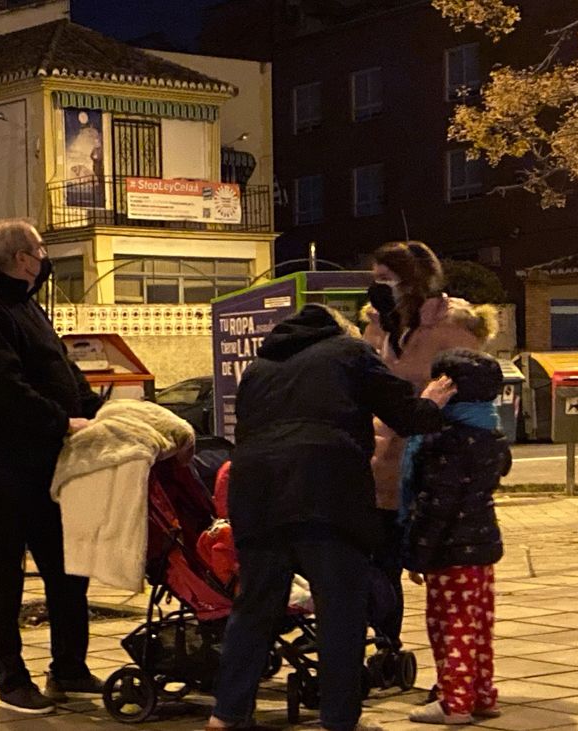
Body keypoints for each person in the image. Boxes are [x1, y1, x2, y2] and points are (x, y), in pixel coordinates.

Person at [207, 304, 457, 731]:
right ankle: (339, 718)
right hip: (326, 492)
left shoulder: (260, 367)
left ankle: (226, 714)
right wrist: (431, 402)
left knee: (254, 607)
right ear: (341, 329)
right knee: (340, 608)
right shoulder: (349, 351)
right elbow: (405, 415)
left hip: (256, 495)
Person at [0, 218, 104, 715]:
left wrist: (94, 410)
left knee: (67, 568)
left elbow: (60, 366)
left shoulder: (27, 305)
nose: (45, 258)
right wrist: (61, 420)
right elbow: (4, 387)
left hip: (48, 460)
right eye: (40, 249)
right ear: (20, 258)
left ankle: (69, 667)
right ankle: (11, 679)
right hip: (3, 460)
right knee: (4, 574)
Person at [363, 241, 495, 650]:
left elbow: (469, 396)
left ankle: (457, 666)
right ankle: (387, 647)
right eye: (375, 278)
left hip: (429, 468)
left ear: (413, 281)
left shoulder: (453, 327)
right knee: (379, 564)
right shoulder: (378, 324)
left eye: (386, 278)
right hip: (378, 466)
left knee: (441, 576)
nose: (378, 287)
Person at [403, 349, 509, 725]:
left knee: (451, 627)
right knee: (478, 625)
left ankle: (455, 701)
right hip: (482, 545)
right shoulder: (491, 434)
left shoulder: (445, 442)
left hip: (450, 550)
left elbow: (436, 505)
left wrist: (415, 555)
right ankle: (481, 694)